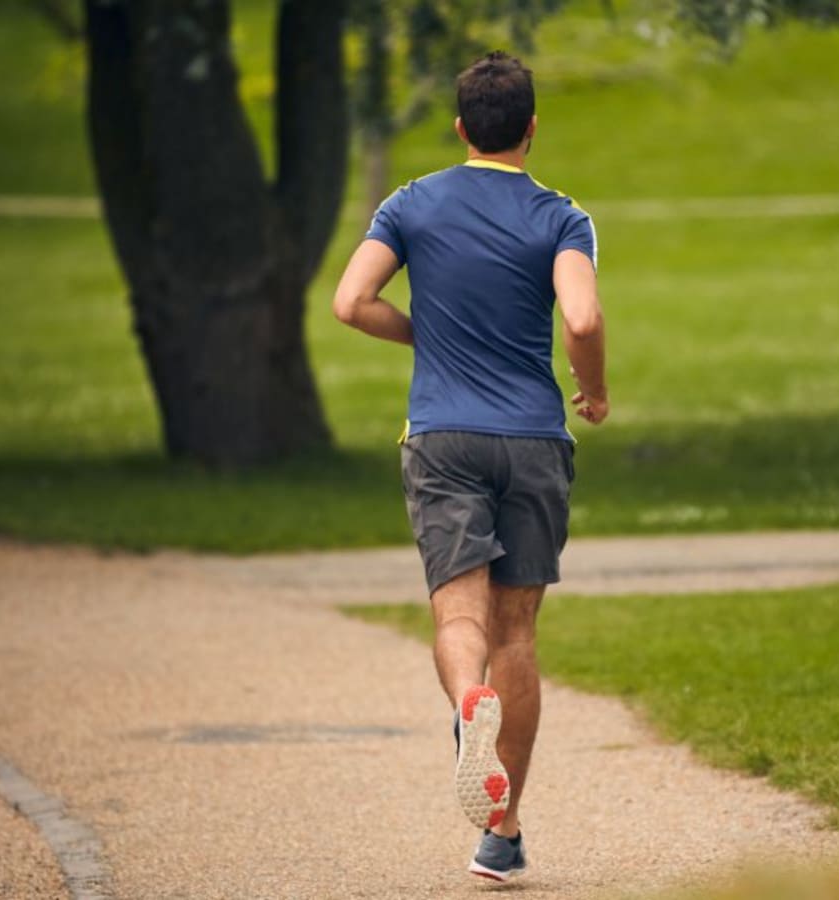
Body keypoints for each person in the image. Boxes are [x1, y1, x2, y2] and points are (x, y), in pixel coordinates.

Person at [331, 51, 608, 882]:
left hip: (443, 435)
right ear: (530, 128)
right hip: (532, 438)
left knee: (460, 615)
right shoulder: (562, 216)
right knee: (516, 632)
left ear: (460, 128)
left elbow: (350, 302)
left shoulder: (411, 203)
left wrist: (426, 333)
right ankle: (502, 832)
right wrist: (591, 392)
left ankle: (466, 706)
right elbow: (584, 316)